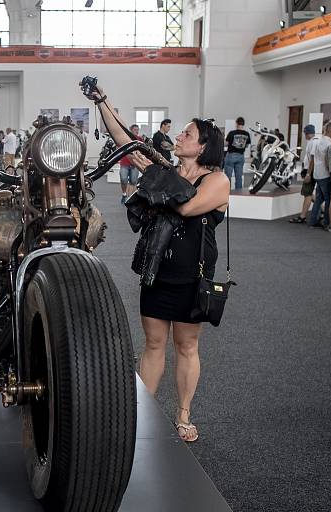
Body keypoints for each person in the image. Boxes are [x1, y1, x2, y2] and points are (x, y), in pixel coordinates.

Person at [88, 84, 229, 443]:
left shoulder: (217, 180)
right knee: (153, 345)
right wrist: (102, 101)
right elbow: (125, 139)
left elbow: (186, 206)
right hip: (157, 270)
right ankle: (143, 412)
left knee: (187, 346)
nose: (179, 135)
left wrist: (157, 174)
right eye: (181, 131)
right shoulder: (166, 169)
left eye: (187, 133)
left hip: (191, 277)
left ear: (203, 146)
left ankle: (183, 414)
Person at [307, 120, 331, 229]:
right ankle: (327, 222)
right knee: (328, 200)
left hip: (318, 173)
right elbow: (328, 161)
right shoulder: (328, 143)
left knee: (319, 199)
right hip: (325, 174)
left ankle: (313, 221)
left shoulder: (320, 141)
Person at [289, 124, 317, 224]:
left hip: (311, 170)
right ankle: (322, 209)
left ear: (307, 133)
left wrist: (308, 173)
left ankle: (302, 216)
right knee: (308, 192)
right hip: (312, 170)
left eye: (305, 133)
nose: (305, 135)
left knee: (307, 194)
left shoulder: (313, 142)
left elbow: (312, 159)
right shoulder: (315, 141)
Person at [119, 124, 143, 204]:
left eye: (137, 129)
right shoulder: (125, 139)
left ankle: (130, 198)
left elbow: (143, 151)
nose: (137, 131)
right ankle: (124, 194)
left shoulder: (140, 139)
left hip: (135, 164)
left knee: (133, 181)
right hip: (124, 163)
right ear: (131, 130)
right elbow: (119, 148)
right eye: (135, 129)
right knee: (123, 179)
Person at [224, 117, 251, 190]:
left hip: (231, 156)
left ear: (236, 123)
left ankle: (226, 193)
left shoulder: (232, 133)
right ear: (243, 124)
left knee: (227, 176)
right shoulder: (247, 134)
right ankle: (238, 193)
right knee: (239, 177)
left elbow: (226, 144)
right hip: (241, 156)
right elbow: (247, 145)